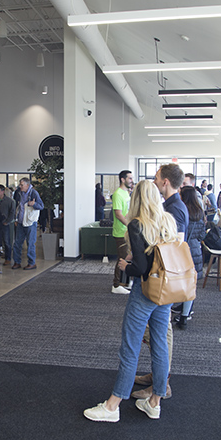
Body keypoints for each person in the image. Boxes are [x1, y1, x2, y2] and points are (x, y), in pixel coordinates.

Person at [83, 180, 179, 423]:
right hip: (166, 291)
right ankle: (155, 402)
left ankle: (113, 405)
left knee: (130, 347)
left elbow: (142, 268)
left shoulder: (137, 225)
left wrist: (127, 265)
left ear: (137, 198)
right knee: (159, 345)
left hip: (145, 292)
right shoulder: (168, 220)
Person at [131, 164, 188, 401]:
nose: (154, 182)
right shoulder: (170, 207)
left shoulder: (175, 209)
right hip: (160, 279)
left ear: (165, 181)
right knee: (158, 334)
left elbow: (174, 248)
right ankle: (157, 377)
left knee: (162, 336)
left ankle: (161, 385)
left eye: (156, 178)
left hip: (162, 281)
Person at [177, 185, 206, 327]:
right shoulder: (200, 212)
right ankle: (185, 315)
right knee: (191, 283)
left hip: (182, 249)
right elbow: (203, 234)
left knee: (177, 280)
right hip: (195, 249)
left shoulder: (181, 211)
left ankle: (180, 308)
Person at [12, 177, 44, 270]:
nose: (20, 186)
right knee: (17, 243)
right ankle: (17, 262)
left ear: (27, 185)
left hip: (30, 222)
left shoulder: (34, 193)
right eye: (20, 184)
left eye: (22, 185)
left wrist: (33, 204)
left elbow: (41, 206)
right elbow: (18, 206)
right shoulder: (18, 192)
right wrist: (16, 219)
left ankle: (32, 263)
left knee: (30, 243)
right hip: (20, 222)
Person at [111, 170, 134, 293]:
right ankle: (116, 285)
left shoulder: (126, 194)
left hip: (127, 232)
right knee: (122, 258)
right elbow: (119, 214)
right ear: (122, 179)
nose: (132, 180)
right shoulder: (118, 194)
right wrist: (130, 225)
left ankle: (125, 282)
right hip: (121, 232)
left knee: (128, 257)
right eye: (129, 178)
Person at [0, 185, 15, 264]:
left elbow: (12, 212)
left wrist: (7, 221)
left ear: (3, 191)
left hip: (5, 224)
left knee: (7, 242)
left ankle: (8, 258)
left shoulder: (9, 201)